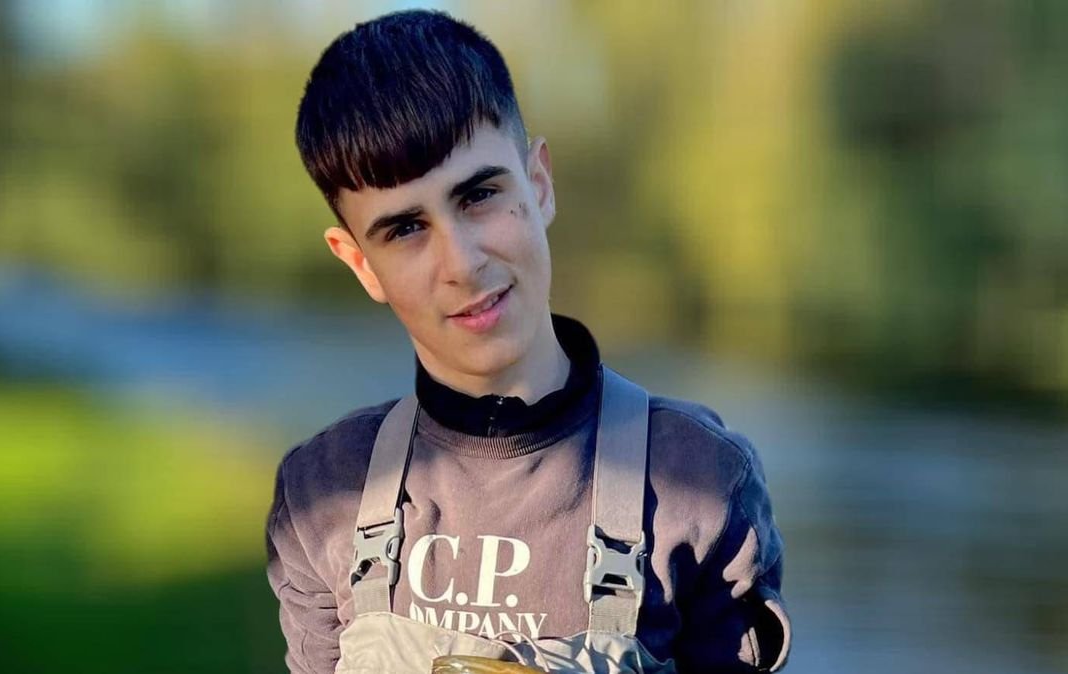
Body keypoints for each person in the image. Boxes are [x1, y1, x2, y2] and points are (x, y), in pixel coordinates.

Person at [265, 9, 791, 673]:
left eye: (479, 195)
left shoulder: (701, 482)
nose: (462, 263)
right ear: (360, 263)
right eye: (405, 230)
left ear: (538, 185)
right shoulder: (320, 493)